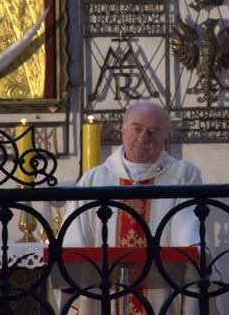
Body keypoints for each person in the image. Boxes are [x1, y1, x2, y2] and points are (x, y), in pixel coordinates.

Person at [61, 102, 203, 314]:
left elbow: (187, 222)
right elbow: (75, 235)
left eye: (153, 131)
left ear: (165, 137)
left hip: (160, 285)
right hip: (105, 287)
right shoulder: (95, 178)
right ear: (124, 131)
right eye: (137, 129)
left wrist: (193, 248)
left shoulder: (183, 174)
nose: (143, 137)